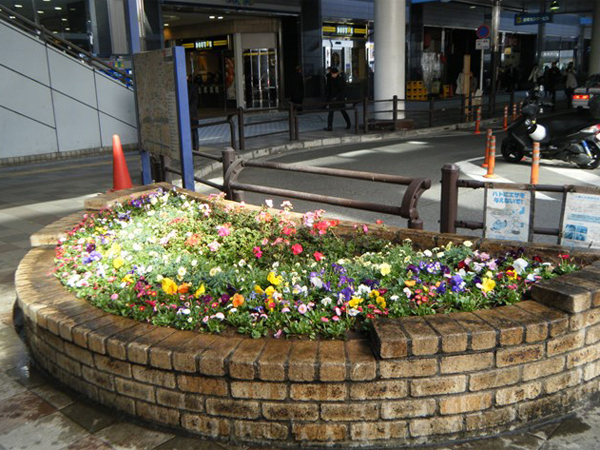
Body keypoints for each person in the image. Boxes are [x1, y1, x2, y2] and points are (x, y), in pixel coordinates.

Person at [187, 76, 199, 150]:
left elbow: (195, 100)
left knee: (194, 130)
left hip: (192, 113)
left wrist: (190, 111)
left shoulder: (191, 87)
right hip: (189, 113)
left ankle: (195, 147)